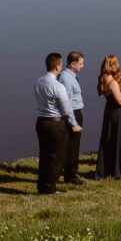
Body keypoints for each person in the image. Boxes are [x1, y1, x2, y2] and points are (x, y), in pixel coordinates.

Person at [35, 52, 82, 194]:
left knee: (44, 155)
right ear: (57, 66)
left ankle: (42, 185)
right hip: (55, 123)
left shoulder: (39, 82)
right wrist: (74, 124)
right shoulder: (58, 86)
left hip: (41, 121)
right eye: (61, 64)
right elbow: (66, 109)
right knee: (58, 157)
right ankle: (50, 187)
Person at [94, 55, 121, 180]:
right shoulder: (112, 82)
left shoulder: (103, 78)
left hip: (110, 111)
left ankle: (110, 167)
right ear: (115, 65)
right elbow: (119, 100)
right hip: (119, 113)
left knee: (110, 138)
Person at [57, 50, 85, 185]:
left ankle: (71, 172)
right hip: (72, 114)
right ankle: (71, 175)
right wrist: (73, 122)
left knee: (74, 145)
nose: (82, 66)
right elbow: (66, 102)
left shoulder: (71, 76)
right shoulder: (67, 78)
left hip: (76, 112)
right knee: (72, 146)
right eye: (80, 64)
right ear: (73, 64)